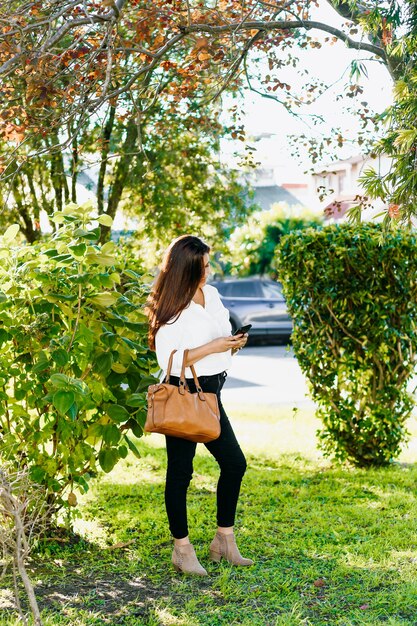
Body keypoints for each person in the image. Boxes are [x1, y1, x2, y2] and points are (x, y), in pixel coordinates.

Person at [146, 235, 253, 576]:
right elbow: (170, 360)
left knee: (234, 464)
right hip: (184, 391)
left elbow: (221, 335)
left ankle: (224, 539)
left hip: (212, 390)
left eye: (208, 263)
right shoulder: (171, 307)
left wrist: (233, 343)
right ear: (186, 269)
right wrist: (213, 346)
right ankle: (182, 549)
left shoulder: (213, 294)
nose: (209, 270)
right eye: (203, 266)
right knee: (181, 472)